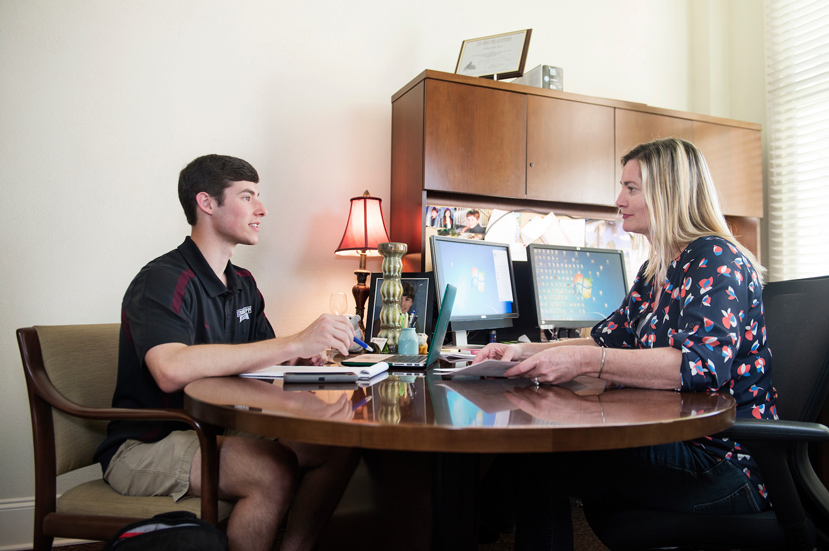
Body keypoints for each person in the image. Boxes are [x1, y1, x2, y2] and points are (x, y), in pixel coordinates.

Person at [472, 138, 777, 549]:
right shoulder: (656, 271)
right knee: (536, 455)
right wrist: (519, 351)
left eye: (631, 188)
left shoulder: (717, 260)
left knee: (541, 457)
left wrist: (589, 361)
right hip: (676, 443)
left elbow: (699, 366)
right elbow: (603, 339)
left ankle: (476, 524)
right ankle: (479, 523)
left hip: (722, 463)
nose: (619, 199)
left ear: (668, 191)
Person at [94, 154, 359, 551]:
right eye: (247, 196)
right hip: (149, 443)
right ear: (207, 203)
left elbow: (262, 356)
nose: (262, 209)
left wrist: (300, 356)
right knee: (271, 470)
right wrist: (292, 342)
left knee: (337, 442)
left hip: (217, 428)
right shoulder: (162, 280)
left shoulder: (243, 283)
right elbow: (169, 369)